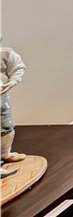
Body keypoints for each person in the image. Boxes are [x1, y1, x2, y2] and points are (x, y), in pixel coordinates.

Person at [1, 39, 27, 171]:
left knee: (7, 126)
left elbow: (18, 68)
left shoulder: (6, 54)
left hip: (2, 100)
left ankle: (4, 153)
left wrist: (13, 81)